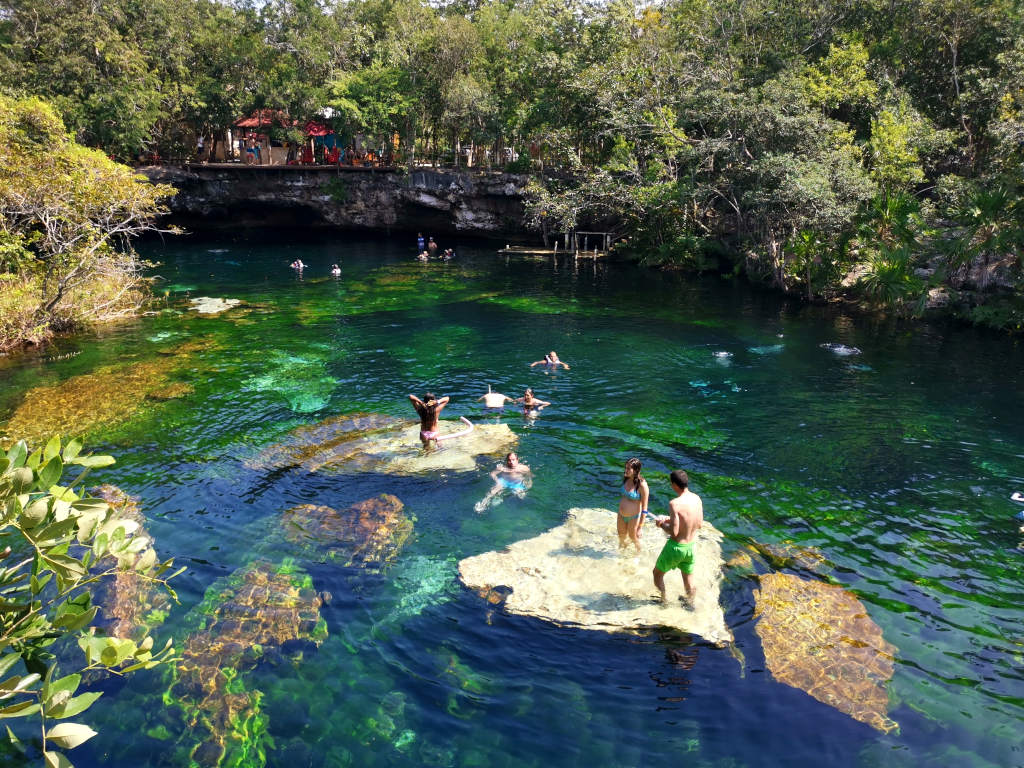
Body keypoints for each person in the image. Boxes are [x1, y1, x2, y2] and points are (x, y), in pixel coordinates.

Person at [651, 470, 703, 605]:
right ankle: (690, 603)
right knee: (688, 579)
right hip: (690, 548)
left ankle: (663, 601)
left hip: (675, 548)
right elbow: (699, 524)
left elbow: (673, 532)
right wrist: (671, 519)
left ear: (674, 485)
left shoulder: (674, 503)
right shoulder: (697, 498)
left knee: (657, 574)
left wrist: (661, 524)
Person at [408, 392, 473, 446]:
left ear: (424, 400)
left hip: (423, 433)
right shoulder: (436, 410)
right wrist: (437, 401)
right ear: (433, 401)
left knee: (426, 450)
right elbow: (447, 398)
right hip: (434, 433)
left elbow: (411, 396)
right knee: (440, 449)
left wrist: (421, 403)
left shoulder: (420, 410)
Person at [617, 458, 649, 553]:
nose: (625, 470)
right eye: (625, 467)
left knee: (633, 537)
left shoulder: (642, 485)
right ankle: (621, 554)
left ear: (635, 471)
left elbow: (644, 508)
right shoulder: (626, 479)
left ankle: (639, 554)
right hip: (621, 514)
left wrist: (640, 527)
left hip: (633, 517)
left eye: (628, 468)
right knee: (621, 535)